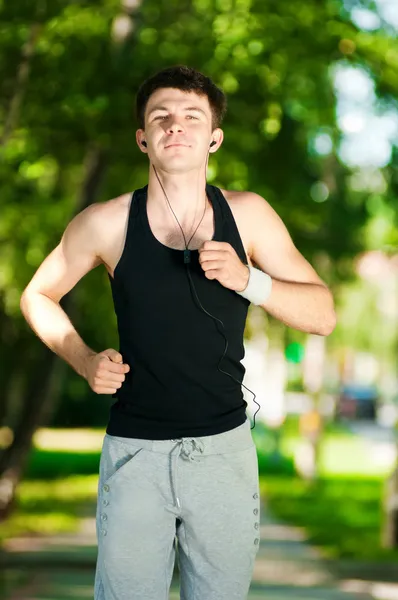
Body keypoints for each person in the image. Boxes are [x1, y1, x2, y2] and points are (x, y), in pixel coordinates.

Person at [20, 65, 336, 600]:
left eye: (192, 116)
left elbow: (322, 313)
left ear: (214, 136)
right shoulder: (107, 223)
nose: (176, 125)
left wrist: (249, 280)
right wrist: (82, 357)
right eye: (160, 117)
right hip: (135, 453)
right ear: (142, 138)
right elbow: (37, 295)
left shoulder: (250, 216)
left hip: (223, 454)